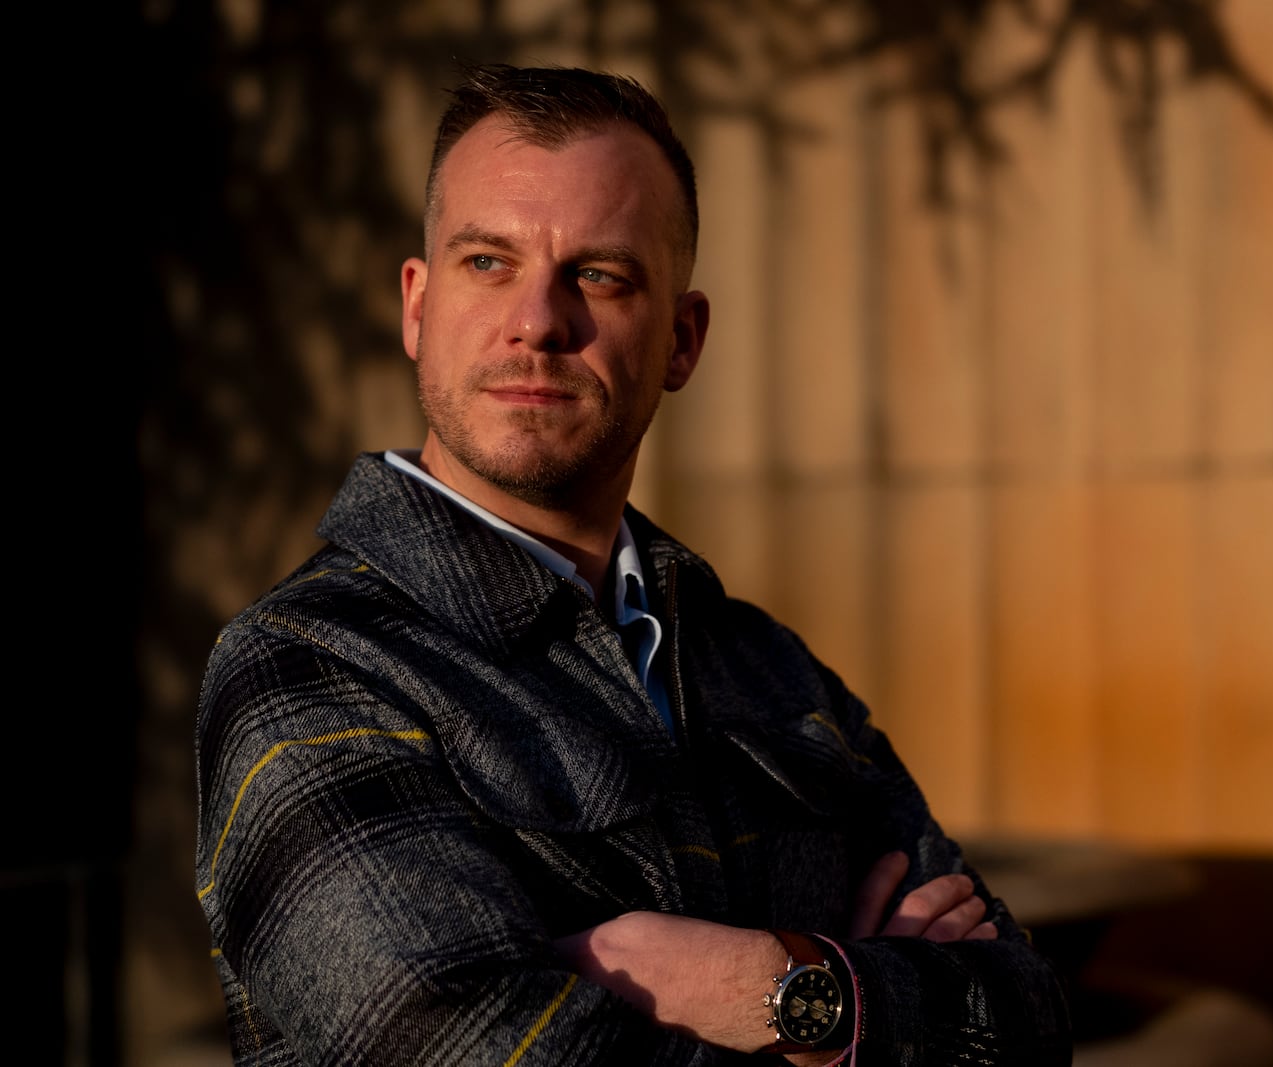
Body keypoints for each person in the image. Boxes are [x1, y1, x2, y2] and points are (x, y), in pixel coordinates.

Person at [194, 62, 1072, 1065]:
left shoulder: (767, 668)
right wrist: (862, 1002)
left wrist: (772, 985)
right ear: (416, 306)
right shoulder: (309, 665)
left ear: (682, 341)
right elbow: (468, 1047)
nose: (538, 321)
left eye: (599, 275)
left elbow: (1027, 1020)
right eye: (488, 261)